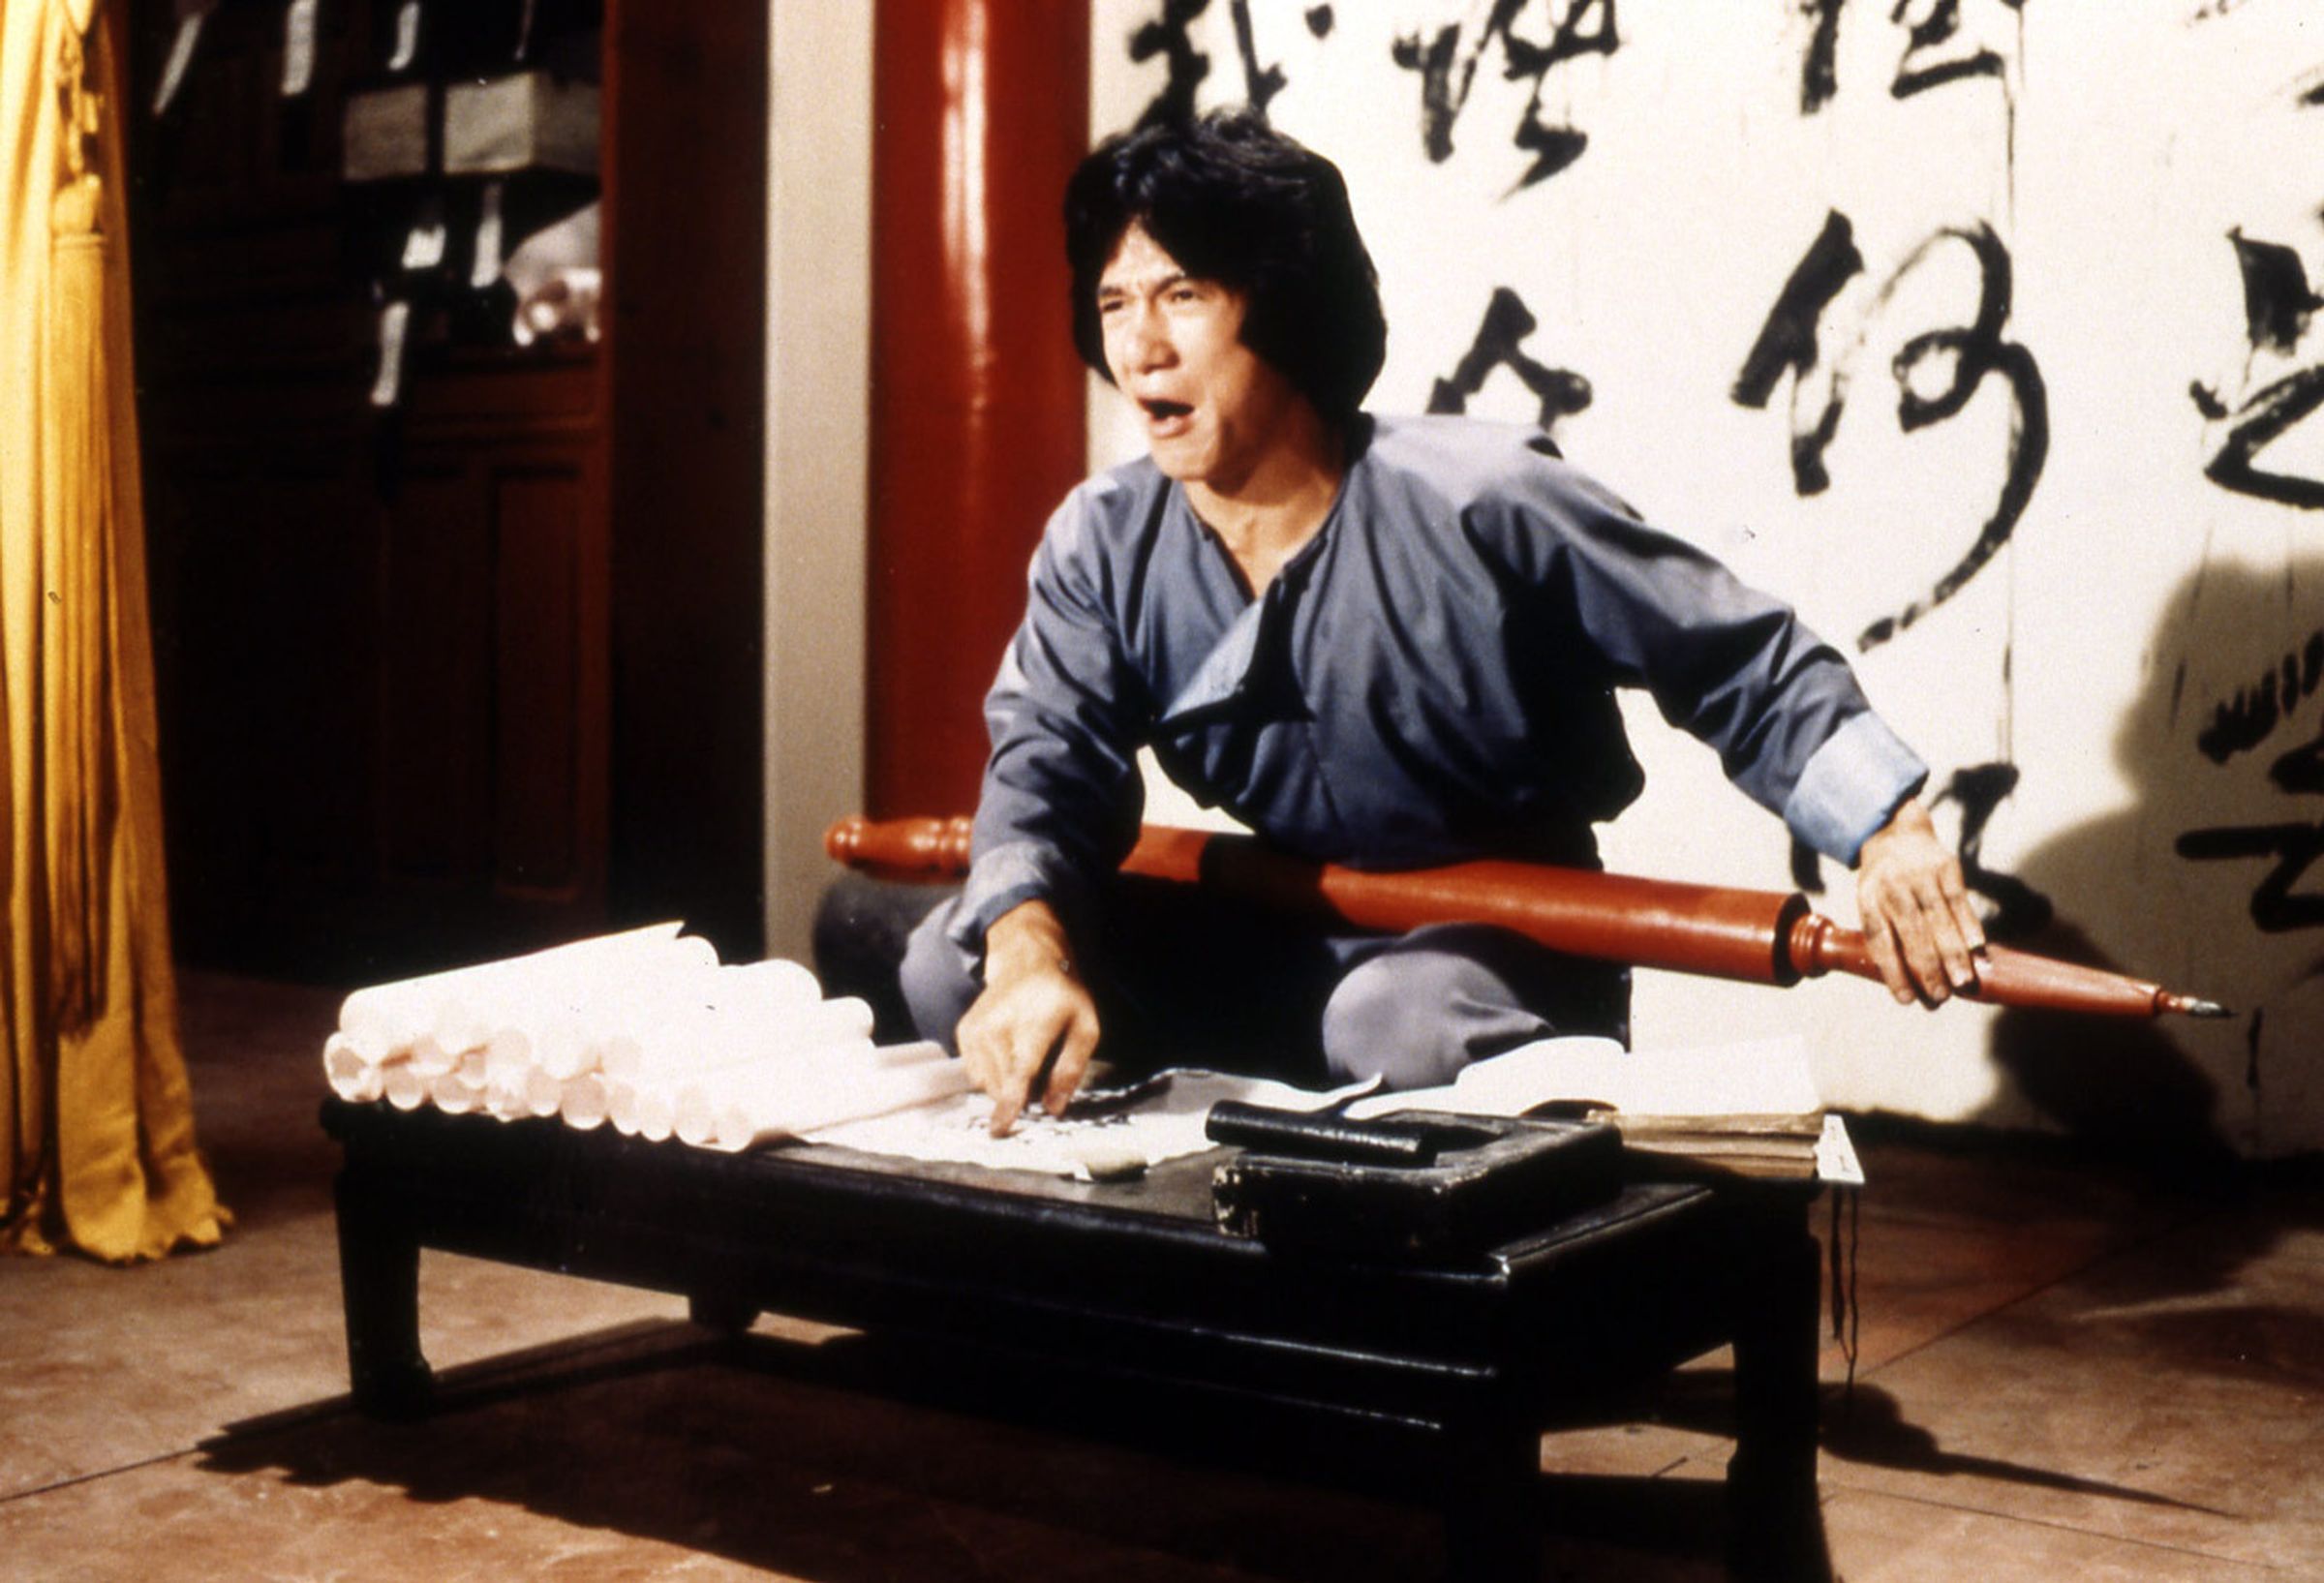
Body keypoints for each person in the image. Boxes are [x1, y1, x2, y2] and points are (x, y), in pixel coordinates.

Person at [902, 108, 1985, 1134]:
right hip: (1285, 930)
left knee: (1396, 1025)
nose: (1141, 346)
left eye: (1181, 294)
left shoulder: (1482, 496)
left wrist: (1888, 832)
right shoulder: (1103, 539)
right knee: (956, 964)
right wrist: (1029, 952)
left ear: (1281, 305)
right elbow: (1047, 764)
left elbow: (1734, 660)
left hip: (1497, 949)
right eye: (1113, 304)